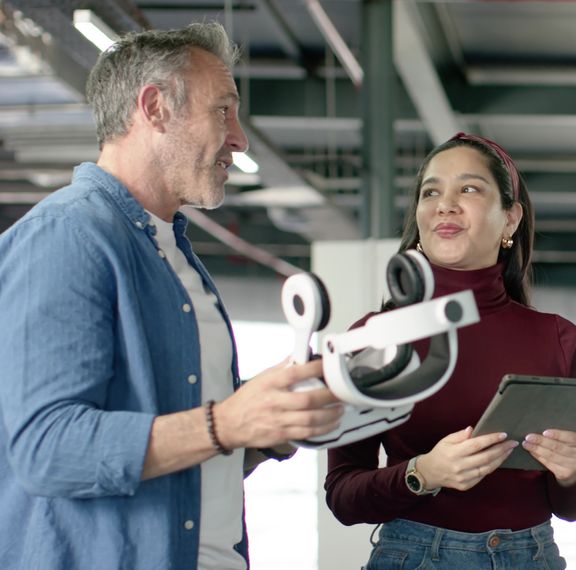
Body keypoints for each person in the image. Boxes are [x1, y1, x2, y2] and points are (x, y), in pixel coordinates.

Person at [0, 23, 344, 569]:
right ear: (155, 108)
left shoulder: (174, 255)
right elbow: (48, 449)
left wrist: (268, 425)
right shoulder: (67, 236)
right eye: (223, 111)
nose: (240, 139)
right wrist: (226, 423)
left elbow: (189, 452)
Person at [324, 133, 576, 568]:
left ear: (510, 220)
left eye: (468, 189)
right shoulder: (375, 339)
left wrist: (570, 473)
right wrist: (423, 473)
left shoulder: (560, 340)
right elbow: (342, 497)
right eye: (431, 192)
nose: (445, 205)